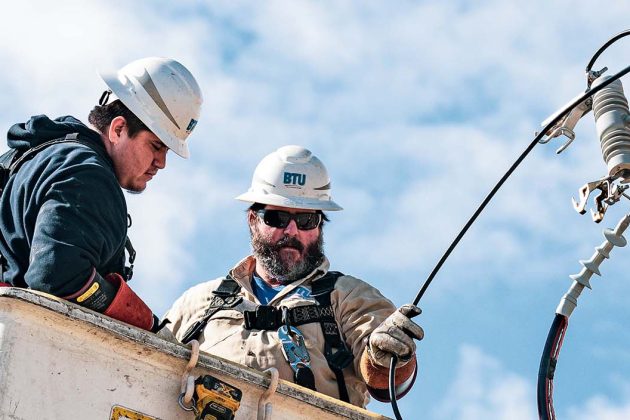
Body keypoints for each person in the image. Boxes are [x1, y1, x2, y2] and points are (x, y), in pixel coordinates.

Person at [164, 145, 423, 407]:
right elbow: (144, 367)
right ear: (253, 220)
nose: (292, 231)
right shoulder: (199, 303)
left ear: (320, 227)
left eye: (306, 220)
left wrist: (389, 357)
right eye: (277, 217)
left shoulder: (348, 298)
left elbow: (386, 382)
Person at [0, 57, 203, 333]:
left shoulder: (38, 154)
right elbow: (56, 276)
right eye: (156, 146)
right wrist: (144, 324)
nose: (161, 162)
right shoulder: (90, 177)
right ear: (118, 129)